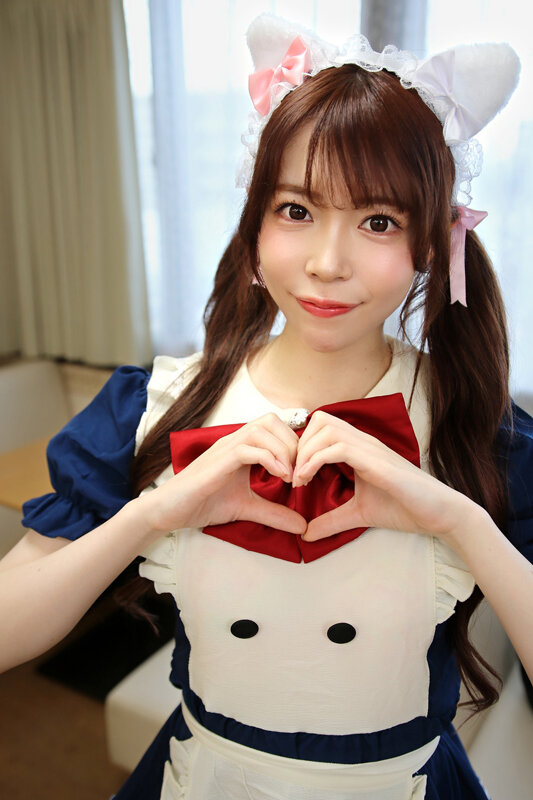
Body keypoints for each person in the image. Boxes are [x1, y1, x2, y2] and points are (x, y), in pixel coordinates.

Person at [1, 12, 531, 800]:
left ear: (429, 242)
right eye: (296, 211)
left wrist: (458, 521)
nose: (326, 262)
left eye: (377, 221)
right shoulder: (156, 408)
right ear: (253, 224)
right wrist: (154, 514)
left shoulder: (478, 431)